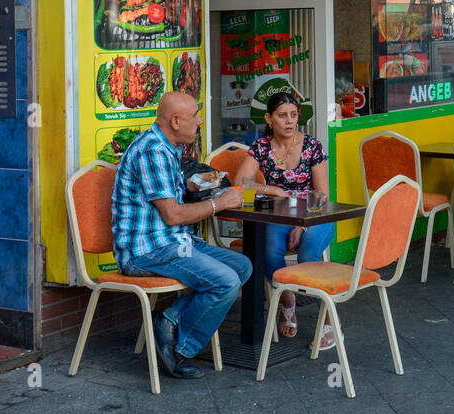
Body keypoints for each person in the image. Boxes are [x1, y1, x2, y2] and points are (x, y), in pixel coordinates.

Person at [112, 92, 253, 380]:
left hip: (173, 243)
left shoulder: (168, 148)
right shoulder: (152, 151)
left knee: (243, 266)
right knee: (224, 281)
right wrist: (218, 204)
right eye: (195, 116)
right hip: (146, 251)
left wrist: (189, 185)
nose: (200, 121)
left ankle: (169, 319)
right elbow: (173, 215)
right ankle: (180, 350)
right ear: (176, 121)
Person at [235, 93, 333, 347]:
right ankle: (287, 301)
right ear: (269, 119)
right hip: (280, 214)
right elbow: (240, 182)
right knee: (268, 248)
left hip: (315, 214)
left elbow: (322, 195)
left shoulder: (312, 146)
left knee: (308, 254)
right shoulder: (261, 147)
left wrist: (302, 226)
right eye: (282, 115)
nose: (289, 121)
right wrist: (273, 190)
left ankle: (331, 322)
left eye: (293, 115)